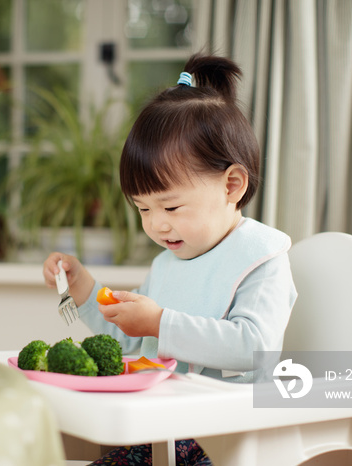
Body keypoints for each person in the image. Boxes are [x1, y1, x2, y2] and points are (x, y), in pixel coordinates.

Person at [43, 53, 297, 466]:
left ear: (231, 185)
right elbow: (132, 343)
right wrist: (84, 289)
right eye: (143, 209)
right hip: (162, 427)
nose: (157, 225)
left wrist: (161, 321)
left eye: (171, 207)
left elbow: (254, 346)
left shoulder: (262, 258)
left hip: (227, 435)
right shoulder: (168, 263)